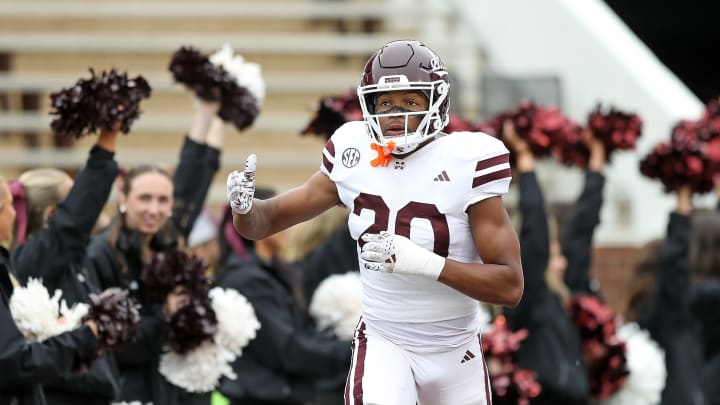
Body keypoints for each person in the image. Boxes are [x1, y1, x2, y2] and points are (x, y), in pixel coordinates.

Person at [227, 39, 523, 404]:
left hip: (454, 344)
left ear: (437, 102)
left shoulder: (468, 159)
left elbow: (510, 286)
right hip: (386, 339)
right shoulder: (354, 151)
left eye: (411, 102)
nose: (395, 114)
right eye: (385, 103)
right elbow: (264, 223)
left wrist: (425, 264)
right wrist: (245, 209)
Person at [85, 100, 226, 405]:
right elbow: (109, 344)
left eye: (163, 200)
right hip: (127, 393)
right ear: (123, 199)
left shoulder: (168, 243)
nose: (154, 209)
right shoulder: (101, 254)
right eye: (144, 198)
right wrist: (165, 314)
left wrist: (214, 116)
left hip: (171, 389)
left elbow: (195, 178)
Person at [10, 127, 122, 405]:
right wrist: (106, 145)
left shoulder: (71, 259)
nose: (89, 207)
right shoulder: (37, 258)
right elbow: (73, 222)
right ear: (53, 214)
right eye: (76, 197)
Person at [214, 188, 351, 405]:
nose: (288, 227)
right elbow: (289, 350)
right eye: (279, 218)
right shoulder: (247, 280)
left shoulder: (280, 273)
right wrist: (354, 351)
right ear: (256, 223)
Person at [0, 175, 101, 405]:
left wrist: (52, 331)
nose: (14, 214)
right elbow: (11, 361)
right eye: (8, 207)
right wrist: (79, 339)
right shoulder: (36, 256)